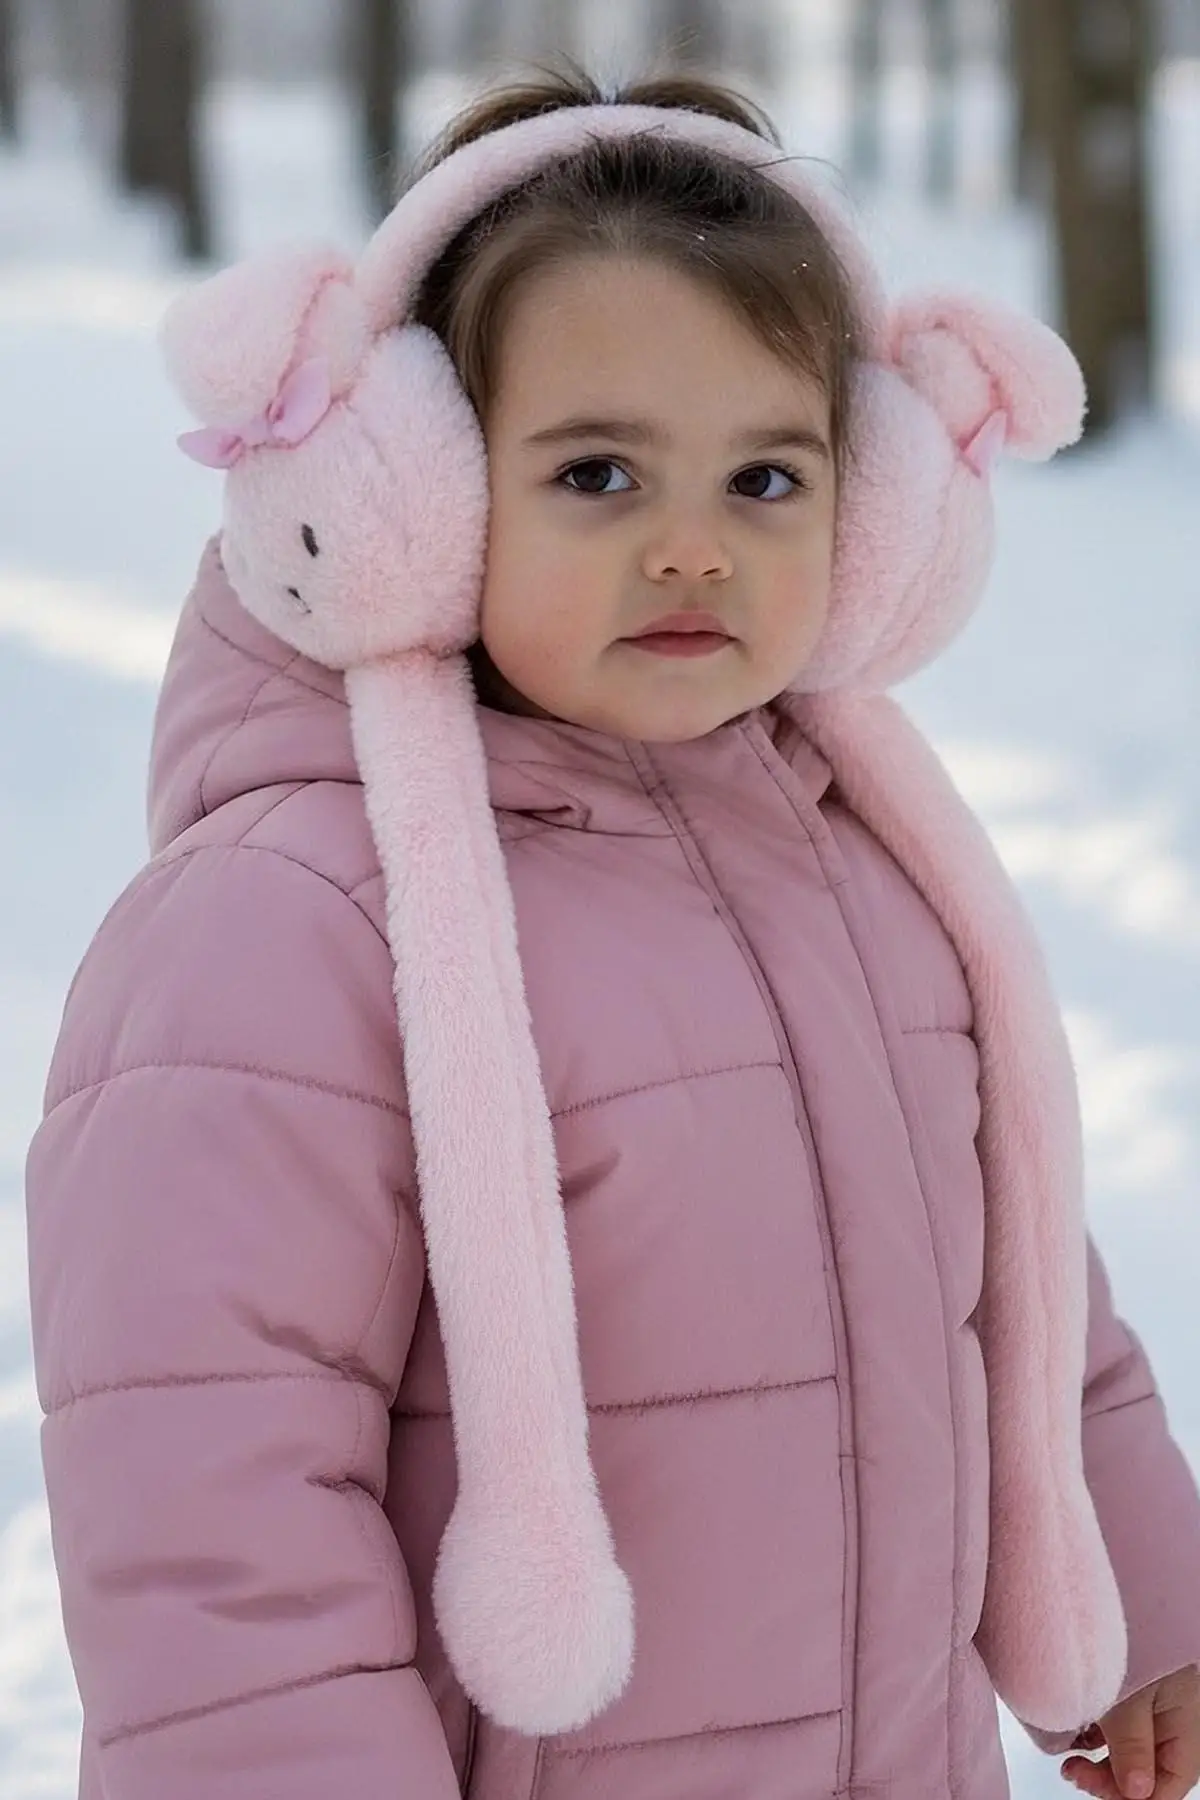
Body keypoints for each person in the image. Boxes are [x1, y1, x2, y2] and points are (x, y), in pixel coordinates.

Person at [24, 66, 1200, 1800]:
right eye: (597, 473)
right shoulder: (285, 929)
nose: (694, 552)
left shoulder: (865, 868)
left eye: (767, 481)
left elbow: (1014, 1287)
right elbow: (207, 1491)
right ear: (409, 484)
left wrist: (1146, 1596)